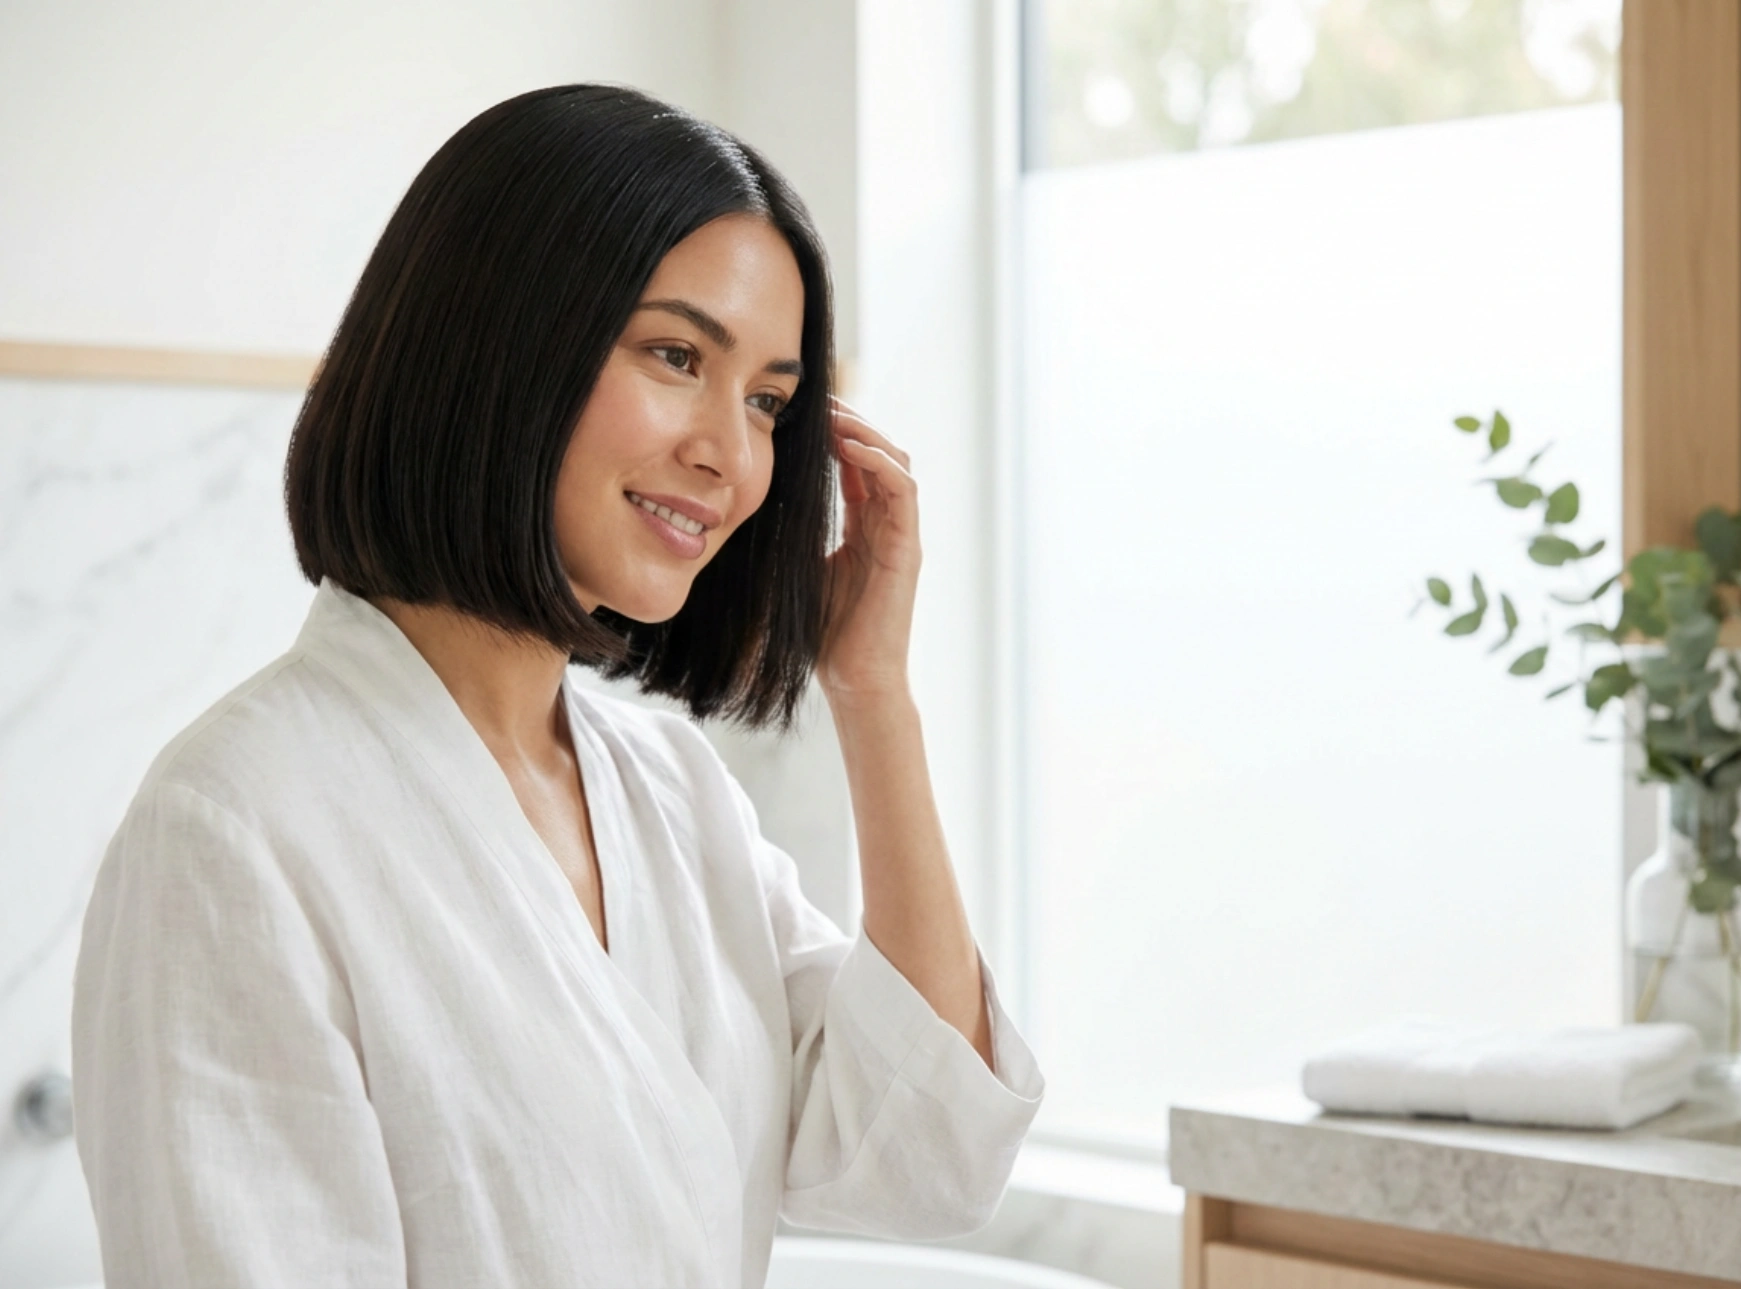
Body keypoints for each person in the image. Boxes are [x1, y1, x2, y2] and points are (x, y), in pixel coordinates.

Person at [70, 83, 1042, 1288]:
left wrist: (874, 695)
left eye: (770, 402)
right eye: (677, 355)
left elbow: (929, 1158)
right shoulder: (233, 827)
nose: (733, 457)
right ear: (500, 343)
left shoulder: (672, 795)